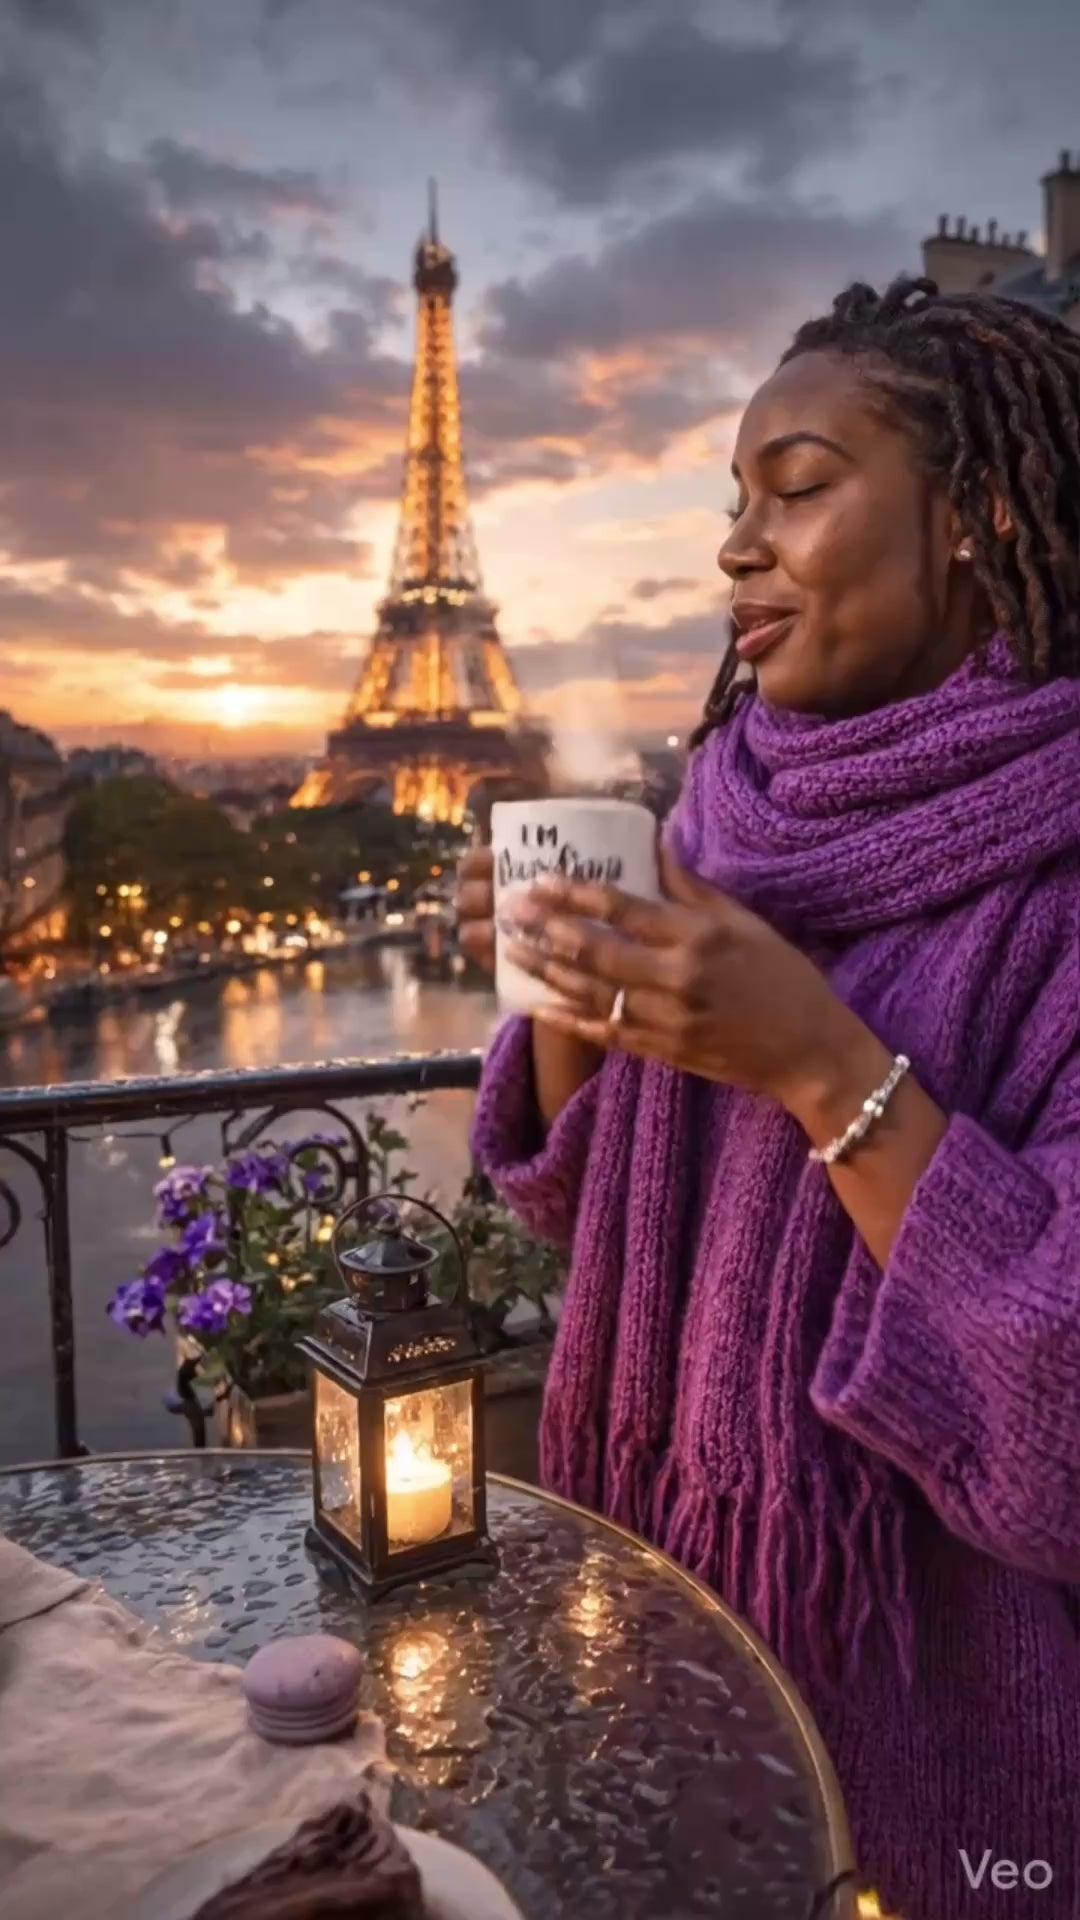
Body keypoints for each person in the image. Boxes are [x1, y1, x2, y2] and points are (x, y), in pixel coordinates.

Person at [455, 277, 1080, 1920]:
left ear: (985, 511)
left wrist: (819, 1063)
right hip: (678, 1657)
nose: (739, 543)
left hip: (962, 1755)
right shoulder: (723, 823)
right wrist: (582, 994)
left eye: (796, 488)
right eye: (735, 501)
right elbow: (600, 1229)